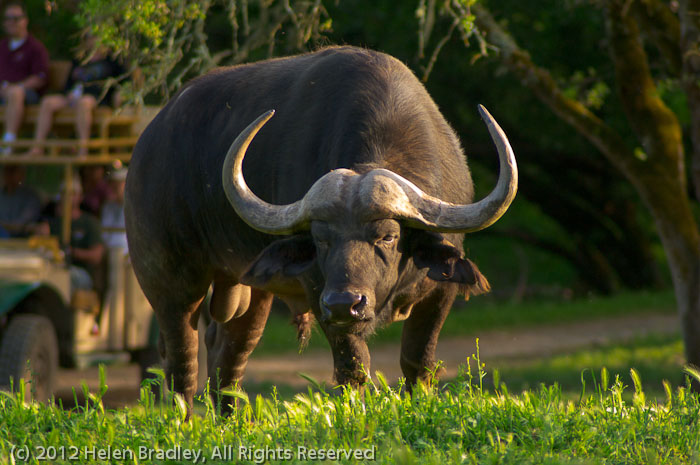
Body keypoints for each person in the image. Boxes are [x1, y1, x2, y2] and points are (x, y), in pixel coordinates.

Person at [28, 35, 123, 157]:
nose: (93, 41)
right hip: (73, 96)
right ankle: (38, 147)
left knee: (84, 102)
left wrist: (118, 97)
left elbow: (123, 82)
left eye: (96, 37)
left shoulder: (112, 61)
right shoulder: (79, 59)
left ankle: (83, 149)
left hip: (97, 98)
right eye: (89, 38)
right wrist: (69, 94)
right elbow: (68, 83)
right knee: (48, 102)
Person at [0, 1, 49, 155]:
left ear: (25, 21)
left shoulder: (35, 48)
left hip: (27, 96)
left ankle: (9, 143)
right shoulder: (1, 47)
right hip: (2, 93)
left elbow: (40, 78)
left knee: (15, 93)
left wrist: (17, 87)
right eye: (8, 19)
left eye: (16, 18)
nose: (11, 22)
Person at [37, 178, 104, 290]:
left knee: (67, 276)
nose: (68, 197)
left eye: (72, 193)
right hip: (53, 269)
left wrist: (71, 252)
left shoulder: (90, 223)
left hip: (81, 272)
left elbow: (96, 256)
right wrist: (42, 237)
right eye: (64, 193)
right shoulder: (52, 224)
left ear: (80, 197)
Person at [0, 163, 41, 237]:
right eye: (7, 170)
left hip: (24, 242)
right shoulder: (1, 195)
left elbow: (21, 224)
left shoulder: (30, 196)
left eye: (13, 170)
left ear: (22, 173)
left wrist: (7, 226)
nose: (9, 174)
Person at [101, 167, 127, 250]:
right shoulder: (107, 207)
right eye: (112, 183)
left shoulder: (136, 208)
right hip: (109, 252)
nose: (114, 186)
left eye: (119, 183)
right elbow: (104, 235)